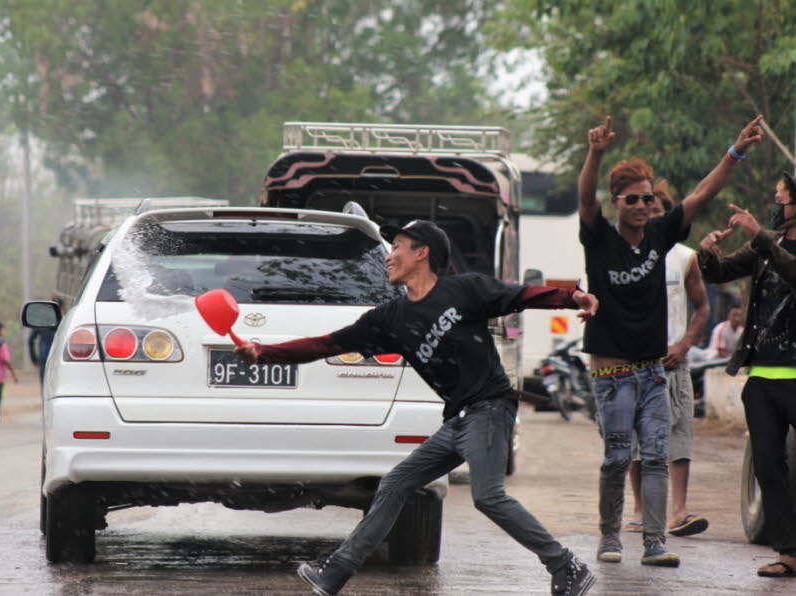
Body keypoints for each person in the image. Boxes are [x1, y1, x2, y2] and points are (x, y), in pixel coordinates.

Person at [235, 219, 600, 596]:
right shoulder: (390, 320)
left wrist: (573, 297)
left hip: (490, 409)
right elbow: (323, 345)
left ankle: (565, 565)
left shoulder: (466, 290)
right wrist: (263, 353)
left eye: (397, 248)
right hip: (458, 421)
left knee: (488, 495)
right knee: (395, 482)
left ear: (421, 252)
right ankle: (335, 573)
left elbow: (523, 295)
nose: (389, 257)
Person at [577, 114, 763, 567]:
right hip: (611, 373)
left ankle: (656, 543)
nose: (642, 206)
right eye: (633, 199)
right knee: (617, 457)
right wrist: (596, 153)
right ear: (617, 203)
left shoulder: (661, 236)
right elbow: (585, 196)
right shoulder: (598, 239)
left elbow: (703, 193)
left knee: (657, 456)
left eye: (647, 198)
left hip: (653, 371)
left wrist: (735, 151)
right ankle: (610, 538)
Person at [697, 171, 796, 579]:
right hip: (762, 376)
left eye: (781, 197)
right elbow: (719, 273)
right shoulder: (764, 248)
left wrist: (761, 237)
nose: (775, 203)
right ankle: (788, 552)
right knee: (769, 465)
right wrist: (707, 253)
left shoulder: (767, 245)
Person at [626, 180, 710, 538]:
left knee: (678, 437)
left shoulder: (684, 257)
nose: (651, 216)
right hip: (632, 363)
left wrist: (684, 345)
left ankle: (679, 511)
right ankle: (640, 509)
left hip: (673, 363)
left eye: (659, 211)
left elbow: (702, 307)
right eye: (646, 210)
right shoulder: (623, 253)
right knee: (633, 441)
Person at [29, 294, 61, 390]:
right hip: (59, 358)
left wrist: (34, 359)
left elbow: (30, 341)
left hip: (44, 357)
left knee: (45, 387)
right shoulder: (65, 320)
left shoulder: (42, 321)